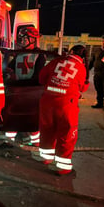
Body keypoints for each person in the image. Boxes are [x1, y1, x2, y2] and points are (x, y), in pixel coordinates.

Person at [32, 45, 89, 175]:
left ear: (71, 51)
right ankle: (63, 166)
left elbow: (41, 78)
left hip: (48, 101)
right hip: (67, 104)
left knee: (47, 129)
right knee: (67, 132)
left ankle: (46, 158)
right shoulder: (81, 67)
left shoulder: (56, 61)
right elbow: (82, 87)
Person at [2, 26, 45, 147]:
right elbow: (9, 68)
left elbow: (38, 78)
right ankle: (9, 142)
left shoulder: (39, 55)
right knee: (12, 117)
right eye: (21, 38)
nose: (22, 41)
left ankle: (36, 143)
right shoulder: (19, 54)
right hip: (18, 91)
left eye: (24, 38)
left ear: (32, 39)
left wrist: (15, 81)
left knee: (31, 119)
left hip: (31, 92)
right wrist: (8, 73)